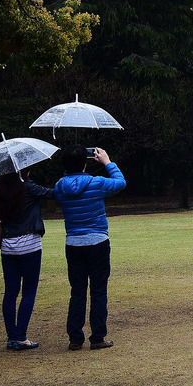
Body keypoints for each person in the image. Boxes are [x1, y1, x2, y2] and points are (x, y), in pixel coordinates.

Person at [55, 145, 126, 351]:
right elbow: (121, 182)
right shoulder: (96, 183)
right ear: (85, 163)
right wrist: (107, 161)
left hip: (74, 243)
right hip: (97, 241)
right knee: (98, 290)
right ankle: (97, 337)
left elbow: (62, 197)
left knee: (77, 292)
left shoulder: (60, 186)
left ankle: (75, 338)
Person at [0, 171, 54, 351]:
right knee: (28, 291)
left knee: (10, 292)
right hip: (29, 244)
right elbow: (52, 193)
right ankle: (21, 337)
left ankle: (12, 336)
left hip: (8, 245)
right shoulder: (28, 187)